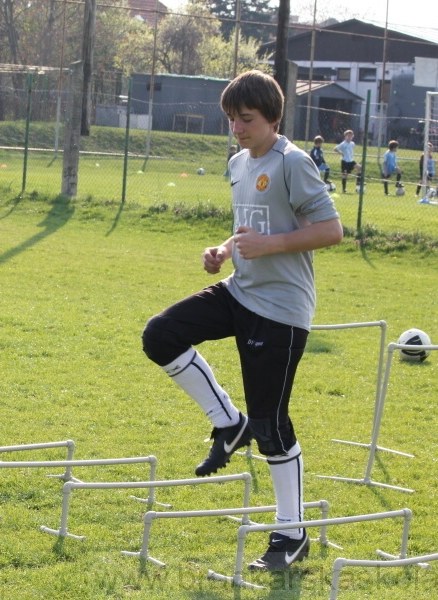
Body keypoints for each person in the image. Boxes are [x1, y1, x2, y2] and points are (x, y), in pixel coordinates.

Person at [141, 70, 342, 572]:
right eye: (231, 118)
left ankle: (290, 535)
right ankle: (229, 423)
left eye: (246, 119)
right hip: (239, 291)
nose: (237, 128)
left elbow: (332, 230)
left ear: (274, 118)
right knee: (161, 334)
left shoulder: (294, 163)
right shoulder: (236, 163)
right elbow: (249, 226)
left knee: (273, 426)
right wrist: (224, 248)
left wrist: (270, 246)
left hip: (281, 310)